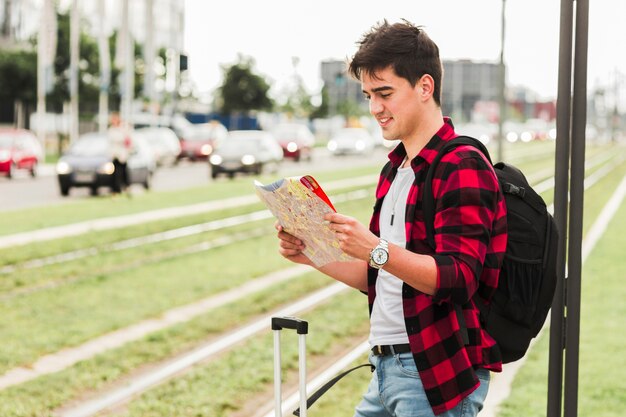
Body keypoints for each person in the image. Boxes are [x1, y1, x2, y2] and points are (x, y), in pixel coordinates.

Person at [276, 20, 508, 417]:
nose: (374, 108)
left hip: (432, 375)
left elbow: (458, 278)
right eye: (368, 94)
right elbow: (379, 277)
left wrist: (376, 249)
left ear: (424, 87)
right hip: (385, 368)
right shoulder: (395, 169)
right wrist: (312, 254)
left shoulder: (461, 164)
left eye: (384, 93)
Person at [108, 113, 133, 195]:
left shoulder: (123, 129)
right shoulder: (111, 130)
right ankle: (116, 190)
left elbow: (127, 140)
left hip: (122, 155)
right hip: (115, 155)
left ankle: (126, 188)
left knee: (123, 172)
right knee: (115, 174)